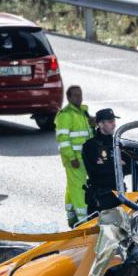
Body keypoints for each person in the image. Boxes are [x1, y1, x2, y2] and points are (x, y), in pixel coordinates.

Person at [55, 85, 93, 227]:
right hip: (74, 159)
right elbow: (63, 139)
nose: (79, 97)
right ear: (69, 98)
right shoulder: (65, 115)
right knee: (79, 187)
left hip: (83, 157)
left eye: (80, 94)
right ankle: (83, 221)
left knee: (72, 186)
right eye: (76, 95)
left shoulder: (83, 112)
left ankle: (71, 215)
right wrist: (72, 158)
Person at [82, 108, 129, 215]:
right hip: (101, 198)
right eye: (110, 121)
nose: (114, 124)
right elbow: (97, 171)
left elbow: (130, 167)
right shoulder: (90, 145)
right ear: (100, 124)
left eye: (114, 121)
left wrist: (108, 164)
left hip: (120, 195)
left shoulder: (118, 144)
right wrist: (118, 163)